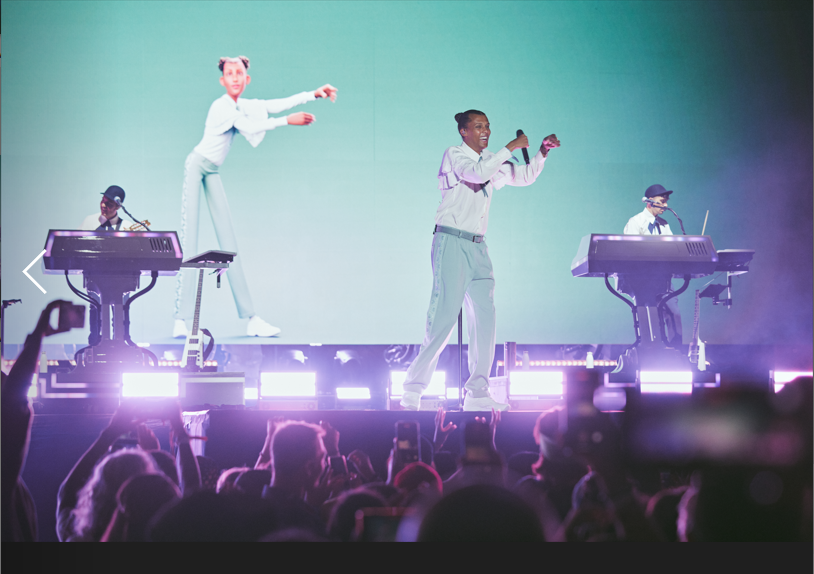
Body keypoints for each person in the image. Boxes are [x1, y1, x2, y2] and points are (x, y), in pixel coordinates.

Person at [400, 110, 560, 411]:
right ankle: (413, 388)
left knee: (486, 320)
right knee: (444, 319)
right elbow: (476, 173)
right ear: (464, 131)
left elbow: (524, 176)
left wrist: (541, 152)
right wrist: (510, 148)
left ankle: (477, 393)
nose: (485, 130)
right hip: (451, 241)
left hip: (478, 247)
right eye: (478, 126)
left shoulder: (491, 159)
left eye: (487, 126)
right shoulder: (455, 155)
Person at [173, 55, 337, 338]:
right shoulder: (221, 106)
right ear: (222, 80)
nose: (235, 78)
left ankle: (251, 318)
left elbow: (276, 104)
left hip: (212, 171)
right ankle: (180, 320)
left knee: (228, 242)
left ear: (247, 79)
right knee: (190, 241)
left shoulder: (244, 105)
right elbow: (249, 127)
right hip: (197, 166)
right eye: (230, 73)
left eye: (239, 73)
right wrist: (287, 122)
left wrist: (314, 94)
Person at [622, 183, 682, 346]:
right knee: (649, 318)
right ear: (649, 202)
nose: (666, 205)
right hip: (642, 280)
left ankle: (676, 350)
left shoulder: (664, 224)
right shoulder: (636, 222)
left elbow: (672, 248)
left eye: (666, 201)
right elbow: (630, 252)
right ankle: (651, 350)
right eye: (662, 201)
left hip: (663, 279)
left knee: (674, 314)